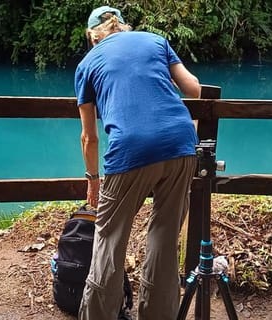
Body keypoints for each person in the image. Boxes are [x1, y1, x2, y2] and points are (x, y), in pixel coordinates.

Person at [74, 6, 202, 320]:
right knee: (165, 234)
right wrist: (188, 136)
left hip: (129, 151)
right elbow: (194, 89)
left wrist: (93, 179)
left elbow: (89, 137)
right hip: (180, 146)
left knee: (109, 238)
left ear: (93, 36)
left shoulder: (88, 63)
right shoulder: (155, 41)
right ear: (123, 27)